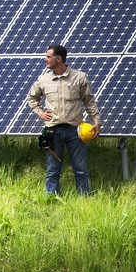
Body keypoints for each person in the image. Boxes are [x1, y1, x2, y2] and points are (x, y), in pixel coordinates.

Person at [27, 44, 102, 195]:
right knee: (52, 170)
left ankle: (84, 200)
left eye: (48, 57)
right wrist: (40, 112)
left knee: (81, 170)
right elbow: (31, 97)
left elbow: (89, 101)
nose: (45, 59)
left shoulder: (79, 77)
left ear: (58, 59)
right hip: (51, 131)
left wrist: (97, 121)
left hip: (76, 131)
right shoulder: (43, 79)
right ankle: (51, 199)